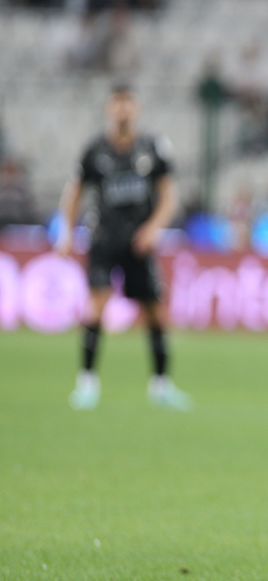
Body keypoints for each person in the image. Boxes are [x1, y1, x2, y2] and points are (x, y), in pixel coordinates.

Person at [55, 84, 192, 411]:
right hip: (103, 239)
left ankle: (161, 386)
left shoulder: (152, 148)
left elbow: (169, 196)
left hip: (139, 243)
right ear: (109, 109)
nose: (122, 110)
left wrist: (153, 228)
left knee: (155, 310)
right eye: (117, 104)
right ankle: (87, 383)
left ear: (137, 108)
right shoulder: (95, 151)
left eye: (127, 104)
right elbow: (74, 193)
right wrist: (67, 232)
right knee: (96, 306)